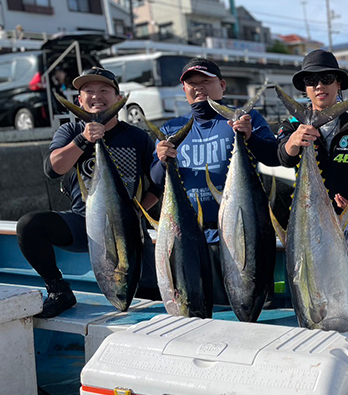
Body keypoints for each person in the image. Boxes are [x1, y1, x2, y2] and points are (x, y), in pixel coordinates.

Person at [16, 67, 161, 318]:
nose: (97, 95)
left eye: (105, 90)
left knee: (151, 295)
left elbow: (158, 184)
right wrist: (84, 139)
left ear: (118, 98)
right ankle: (59, 290)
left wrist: (137, 213)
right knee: (29, 225)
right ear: (79, 101)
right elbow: (53, 169)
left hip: (128, 228)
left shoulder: (137, 137)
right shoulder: (71, 132)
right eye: (89, 91)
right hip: (82, 223)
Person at [152, 58, 279, 306]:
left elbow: (273, 157)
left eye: (206, 81)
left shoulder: (246, 118)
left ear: (221, 85)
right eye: (192, 83)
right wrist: (161, 160)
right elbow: (157, 180)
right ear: (184, 90)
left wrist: (250, 136)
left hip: (241, 233)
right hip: (189, 238)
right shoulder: (172, 128)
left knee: (249, 308)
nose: (198, 87)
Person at [275, 49, 348, 331]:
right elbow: (283, 157)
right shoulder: (294, 124)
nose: (319, 85)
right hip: (309, 215)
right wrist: (295, 141)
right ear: (306, 89)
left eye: (327, 78)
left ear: (339, 84)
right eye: (312, 81)